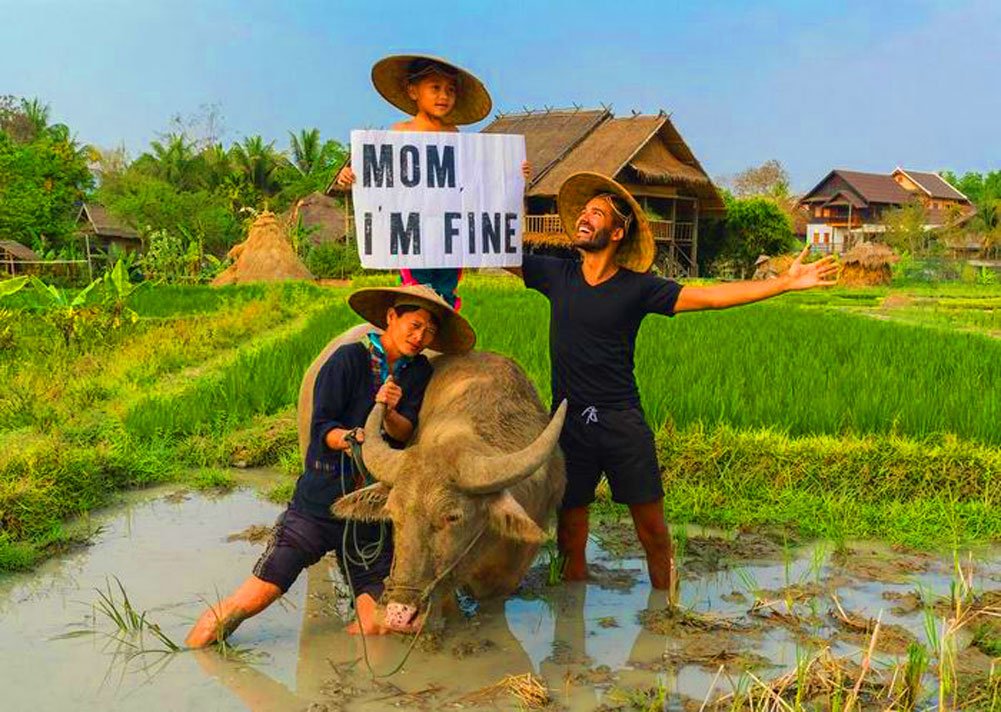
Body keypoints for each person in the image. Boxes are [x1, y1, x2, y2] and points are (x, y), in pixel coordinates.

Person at [508, 171, 838, 591]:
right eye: (584, 212)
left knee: (654, 534)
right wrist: (513, 191)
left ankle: (664, 611)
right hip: (569, 424)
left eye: (597, 213)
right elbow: (497, 249)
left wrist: (784, 284)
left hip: (621, 423)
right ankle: (573, 629)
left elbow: (713, 298)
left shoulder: (638, 288)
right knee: (571, 537)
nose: (585, 218)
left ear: (617, 231)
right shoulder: (557, 275)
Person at [185, 284, 476, 646]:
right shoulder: (347, 360)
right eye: (414, 325)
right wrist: (355, 438)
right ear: (391, 317)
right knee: (251, 600)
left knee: (376, 626)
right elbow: (322, 427)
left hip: (368, 521)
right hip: (318, 507)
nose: (420, 337)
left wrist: (391, 412)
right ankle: (195, 650)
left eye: (430, 331)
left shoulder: (417, 373)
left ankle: (338, 677)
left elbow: (404, 432)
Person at [335, 54, 530, 308]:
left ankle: (444, 341)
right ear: (413, 91)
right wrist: (350, 177)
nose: (444, 96)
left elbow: (474, 183)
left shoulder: (455, 136)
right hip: (414, 236)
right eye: (435, 88)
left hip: (449, 236)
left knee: (446, 296)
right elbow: (382, 182)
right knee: (415, 295)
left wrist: (513, 174)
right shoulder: (399, 133)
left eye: (450, 90)